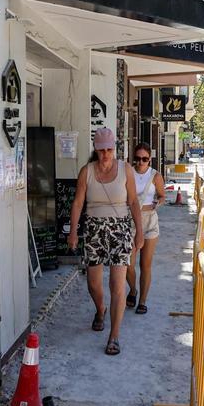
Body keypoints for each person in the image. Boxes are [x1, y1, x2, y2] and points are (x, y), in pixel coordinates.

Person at [67, 127, 144, 356]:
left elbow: (133, 202)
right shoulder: (87, 172)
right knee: (93, 283)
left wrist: (139, 231)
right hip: (93, 230)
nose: (106, 155)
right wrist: (73, 231)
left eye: (110, 149)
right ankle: (100, 308)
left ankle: (114, 336)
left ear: (115, 148)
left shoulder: (126, 170)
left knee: (117, 285)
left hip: (120, 230)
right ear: (96, 150)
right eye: (102, 150)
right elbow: (78, 204)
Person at [126, 143, 165, 314]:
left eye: (144, 159)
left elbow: (162, 195)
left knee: (145, 265)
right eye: (138, 158)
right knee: (128, 263)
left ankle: (142, 301)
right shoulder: (128, 173)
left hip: (150, 221)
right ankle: (133, 290)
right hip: (130, 221)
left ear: (150, 159)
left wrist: (159, 202)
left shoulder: (155, 175)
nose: (141, 162)